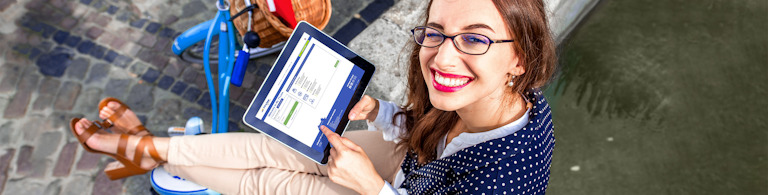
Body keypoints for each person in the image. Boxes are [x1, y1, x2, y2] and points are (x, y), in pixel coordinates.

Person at [70, 0, 556, 194]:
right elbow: (425, 126)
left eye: (475, 38)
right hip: (412, 161)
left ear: (521, 58)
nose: (442, 60)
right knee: (282, 144)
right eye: (435, 32)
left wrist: (371, 187)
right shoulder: (487, 96)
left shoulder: (508, 175)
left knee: (270, 181)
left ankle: (143, 152)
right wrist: (377, 111)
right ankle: (150, 148)